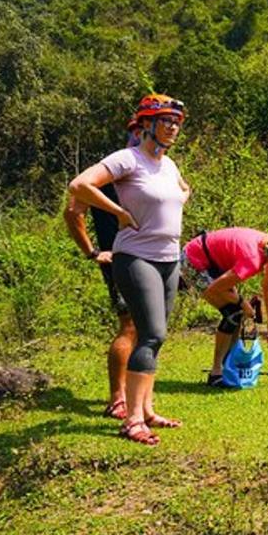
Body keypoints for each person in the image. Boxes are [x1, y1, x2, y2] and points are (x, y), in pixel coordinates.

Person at [68, 93, 190, 446]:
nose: (172, 128)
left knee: (157, 336)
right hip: (135, 258)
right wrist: (119, 213)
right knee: (149, 333)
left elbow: (175, 195)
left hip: (169, 258)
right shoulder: (127, 159)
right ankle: (132, 419)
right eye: (166, 121)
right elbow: (79, 186)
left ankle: (148, 409)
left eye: (176, 123)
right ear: (145, 125)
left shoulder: (168, 165)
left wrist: (183, 196)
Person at [63, 119, 141, 420]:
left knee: (147, 329)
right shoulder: (111, 170)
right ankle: (118, 398)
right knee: (130, 325)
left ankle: (136, 396)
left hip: (153, 259)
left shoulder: (151, 168)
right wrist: (92, 251)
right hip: (121, 258)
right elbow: (73, 212)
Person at [181, 229, 268, 387]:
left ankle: (229, 366)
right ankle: (217, 373)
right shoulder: (252, 260)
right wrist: (245, 304)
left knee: (236, 313)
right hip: (194, 260)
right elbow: (214, 288)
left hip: (213, 260)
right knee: (233, 312)